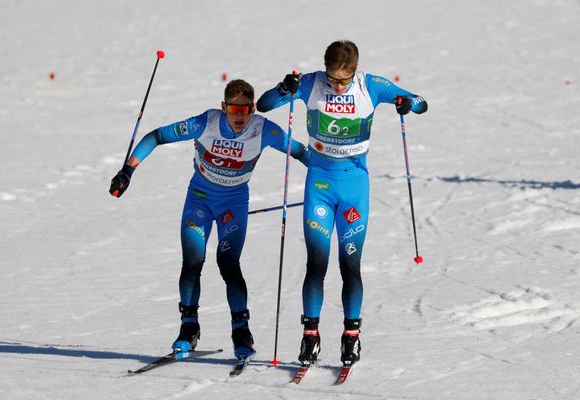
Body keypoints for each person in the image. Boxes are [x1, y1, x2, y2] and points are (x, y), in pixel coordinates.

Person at [256, 40, 428, 367]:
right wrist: (283, 88)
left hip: (354, 186)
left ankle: (351, 336)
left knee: (350, 267)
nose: (336, 86)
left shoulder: (370, 86)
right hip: (319, 184)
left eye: (342, 81)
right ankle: (311, 335)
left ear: (354, 72)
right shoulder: (310, 83)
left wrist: (407, 103)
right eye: (332, 79)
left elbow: (421, 103)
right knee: (316, 264)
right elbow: (265, 105)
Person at [109, 79, 309, 360]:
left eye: (245, 110)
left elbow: (301, 153)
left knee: (228, 263)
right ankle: (188, 328)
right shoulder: (206, 122)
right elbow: (156, 136)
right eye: (233, 109)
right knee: (192, 260)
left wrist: (328, 179)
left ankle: (241, 330)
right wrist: (127, 171)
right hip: (200, 199)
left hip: (234, 204)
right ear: (223, 107)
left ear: (253, 108)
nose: (239, 116)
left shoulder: (263, 129)